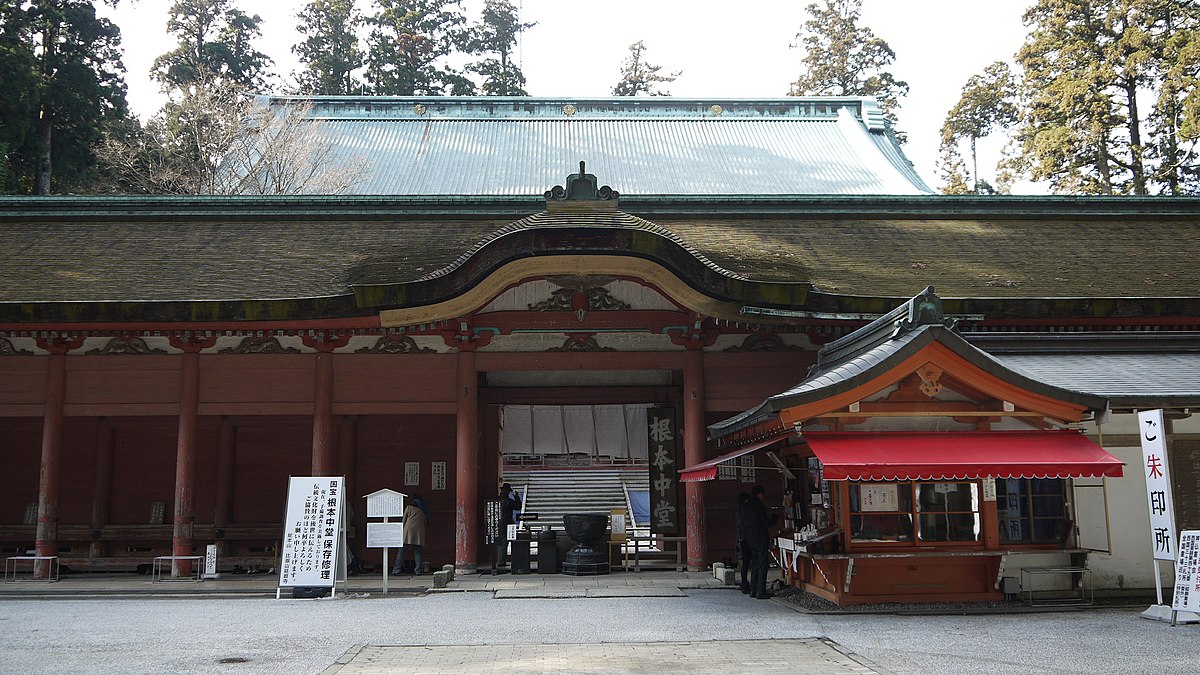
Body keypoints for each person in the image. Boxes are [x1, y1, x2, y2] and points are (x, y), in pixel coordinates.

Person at [738, 484, 778, 599]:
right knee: (762, 564)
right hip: (760, 539)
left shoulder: (745, 507)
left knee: (755, 564)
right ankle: (761, 591)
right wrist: (774, 519)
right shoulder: (759, 507)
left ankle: (753, 590)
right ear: (760, 494)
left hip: (749, 539)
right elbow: (766, 523)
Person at [392, 495, 428, 575]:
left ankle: (397, 569)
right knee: (417, 551)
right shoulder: (423, 511)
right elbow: (425, 523)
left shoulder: (409, 508)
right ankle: (418, 570)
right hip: (419, 532)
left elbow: (403, 520)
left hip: (408, 531)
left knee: (401, 550)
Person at [496, 483, 522, 569]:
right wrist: (517, 497)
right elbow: (518, 507)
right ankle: (502, 561)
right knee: (508, 540)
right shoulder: (509, 501)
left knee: (501, 541)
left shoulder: (497, 500)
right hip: (508, 522)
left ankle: (501, 560)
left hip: (498, 523)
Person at [735, 492, 752, 594]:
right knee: (746, 563)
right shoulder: (744, 511)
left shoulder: (739, 511)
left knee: (744, 563)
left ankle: (744, 583)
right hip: (745, 539)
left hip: (740, 538)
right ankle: (745, 584)